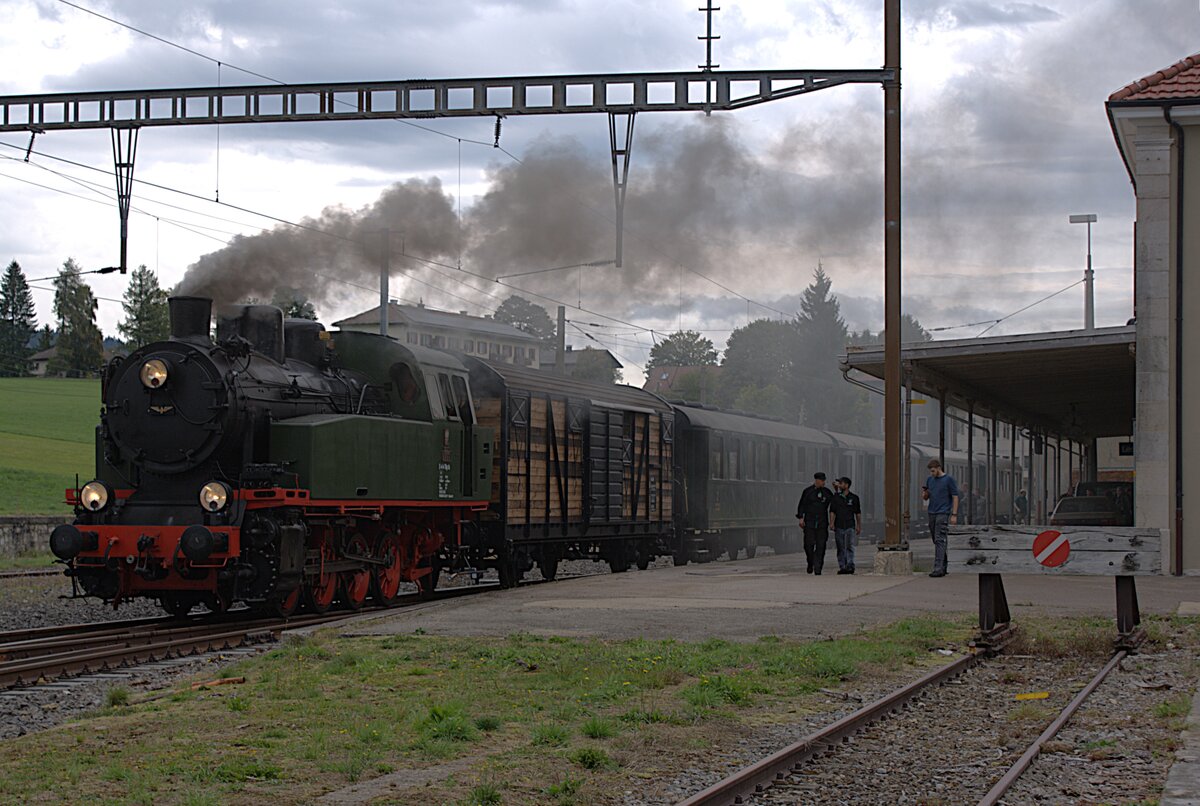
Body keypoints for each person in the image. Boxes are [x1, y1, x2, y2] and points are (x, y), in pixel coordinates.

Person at [922, 459, 959, 578]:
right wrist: (925, 494)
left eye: (933, 471)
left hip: (943, 512)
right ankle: (944, 565)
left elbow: (955, 496)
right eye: (930, 472)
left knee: (939, 539)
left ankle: (938, 568)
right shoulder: (929, 480)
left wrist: (954, 514)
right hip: (931, 511)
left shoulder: (949, 480)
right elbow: (926, 497)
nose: (932, 474)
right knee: (935, 539)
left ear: (938, 468)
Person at [796, 472, 834, 575]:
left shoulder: (827, 492)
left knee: (821, 545)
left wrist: (837, 490)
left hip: (822, 522)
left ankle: (818, 568)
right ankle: (810, 562)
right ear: (817, 481)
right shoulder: (808, 491)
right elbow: (802, 505)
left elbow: (835, 504)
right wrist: (800, 517)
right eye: (822, 481)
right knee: (808, 544)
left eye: (824, 480)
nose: (824, 483)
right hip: (810, 522)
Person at [830, 476, 862, 574]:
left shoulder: (854, 498)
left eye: (841, 483)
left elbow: (857, 513)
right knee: (840, 547)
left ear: (847, 485)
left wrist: (858, 525)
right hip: (839, 525)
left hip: (850, 525)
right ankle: (842, 566)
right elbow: (832, 511)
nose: (839, 485)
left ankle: (850, 565)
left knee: (849, 546)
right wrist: (831, 523)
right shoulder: (836, 498)